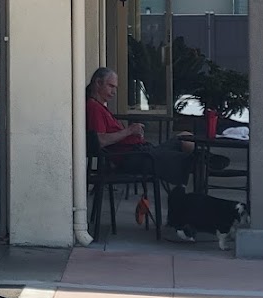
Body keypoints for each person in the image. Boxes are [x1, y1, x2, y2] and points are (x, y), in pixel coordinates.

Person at [85, 66, 205, 242]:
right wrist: (129, 131)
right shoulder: (94, 108)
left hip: (141, 152)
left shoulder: (101, 107)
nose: (114, 92)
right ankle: (192, 213)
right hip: (133, 159)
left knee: (184, 137)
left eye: (115, 88)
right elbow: (100, 140)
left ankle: (202, 166)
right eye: (111, 86)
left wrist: (132, 133)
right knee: (191, 161)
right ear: (98, 83)